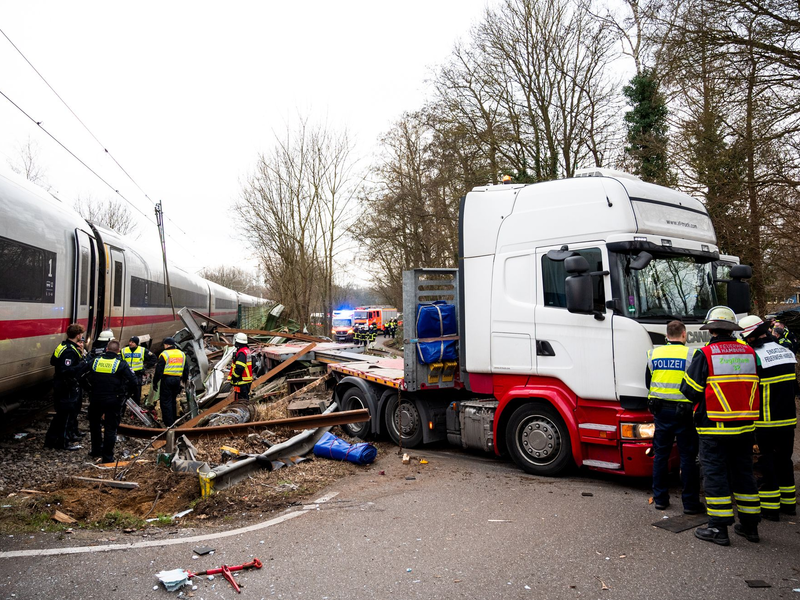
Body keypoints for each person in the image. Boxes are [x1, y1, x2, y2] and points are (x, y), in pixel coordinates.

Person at [681, 306, 762, 545]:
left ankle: (718, 528)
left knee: (715, 475)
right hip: (745, 427)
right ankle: (750, 526)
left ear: (712, 329)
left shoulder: (705, 354)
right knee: (744, 475)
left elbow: (690, 391)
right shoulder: (750, 353)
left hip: (714, 428)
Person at [738, 315, 798, 519]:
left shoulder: (754, 356)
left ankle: (770, 508)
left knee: (765, 463)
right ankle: (789, 504)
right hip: (788, 420)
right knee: (785, 461)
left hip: (765, 421)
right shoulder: (786, 351)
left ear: (752, 336)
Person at [646, 320, 703, 514]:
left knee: (661, 455)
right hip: (685, 412)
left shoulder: (653, 353)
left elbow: (649, 381)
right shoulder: (692, 354)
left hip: (660, 411)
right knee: (687, 457)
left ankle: (660, 499)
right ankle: (690, 504)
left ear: (667, 336)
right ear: (684, 334)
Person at [86, 340, 137, 463]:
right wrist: (127, 394)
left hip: (96, 398)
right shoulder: (121, 364)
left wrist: (89, 390)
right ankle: (108, 457)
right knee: (110, 428)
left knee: (95, 425)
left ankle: (96, 450)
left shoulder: (95, 361)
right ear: (118, 351)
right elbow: (133, 381)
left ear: (106, 349)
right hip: (113, 399)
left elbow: (80, 374)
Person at [44, 323, 88, 451]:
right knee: (65, 415)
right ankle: (63, 442)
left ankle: (51, 440)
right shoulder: (70, 350)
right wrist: (82, 364)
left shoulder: (62, 346)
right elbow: (66, 370)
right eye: (81, 335)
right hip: (66, 386)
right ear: (78, 335)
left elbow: (53, 361)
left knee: (61, 415)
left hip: (60, 384)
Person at [152, 337, 187, 426]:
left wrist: (155, 382)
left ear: (167, 345)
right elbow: (186, 368)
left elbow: (159, 370)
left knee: (165, 401)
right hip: (177, 380)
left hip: (167, 380)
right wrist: (184, 380)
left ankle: (168, 423)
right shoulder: (182, 354)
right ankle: (174, 419)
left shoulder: (164, 354)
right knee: (173, 400)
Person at [121, 336, 154, 405]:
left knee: (137, 392)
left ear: (136, 343)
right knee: (125, 391)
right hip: (126, 374)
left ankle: (135, 408)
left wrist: (145, 368)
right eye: (130, 341)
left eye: (132, 342)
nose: (130, 343)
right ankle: (123, 407)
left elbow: (153, 358)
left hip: (137, 374)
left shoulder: (142, 350)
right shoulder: (124, 350)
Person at [228, 332, 253, 400]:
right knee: (245, 400)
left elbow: (239, 368)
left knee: (241, 401)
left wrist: (234, 377)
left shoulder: (241, 353)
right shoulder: (246, 351)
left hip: (241, 382)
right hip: (246, 381)